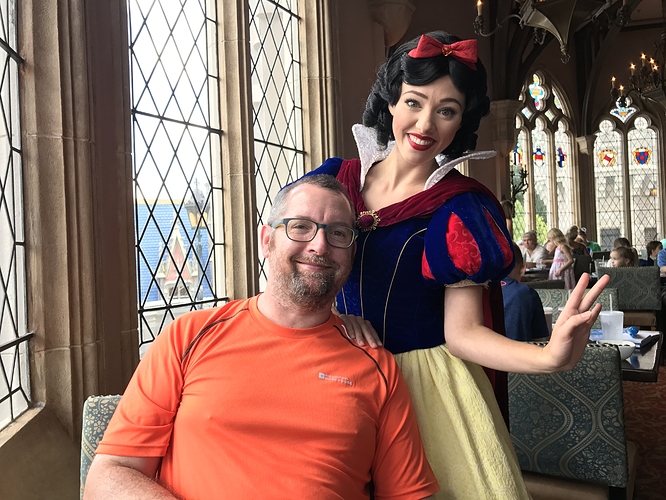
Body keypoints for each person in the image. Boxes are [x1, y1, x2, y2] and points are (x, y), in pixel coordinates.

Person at [307, 30, 609, 499]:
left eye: (446, 110)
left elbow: (463, 333)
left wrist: (549, 357)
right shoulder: (332, 182)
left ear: (460, 121)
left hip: (423, 392)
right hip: (332, 373)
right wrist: (332, 319)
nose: (425, 123)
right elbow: (290, 268)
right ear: (391, 102)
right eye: (413, 102)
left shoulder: (460, 209)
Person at [83, 175, 439, 500]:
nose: (319, 245)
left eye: (338, 233)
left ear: (351, 252)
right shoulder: (188, 336)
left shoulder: (377, 367)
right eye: (301, 227)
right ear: (266, 241)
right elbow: (110, 475)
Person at [501, 243, 550, 341]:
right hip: (519, 350)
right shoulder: (527, 293)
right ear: (522, 270)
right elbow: (539, 340)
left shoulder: (477, 292)